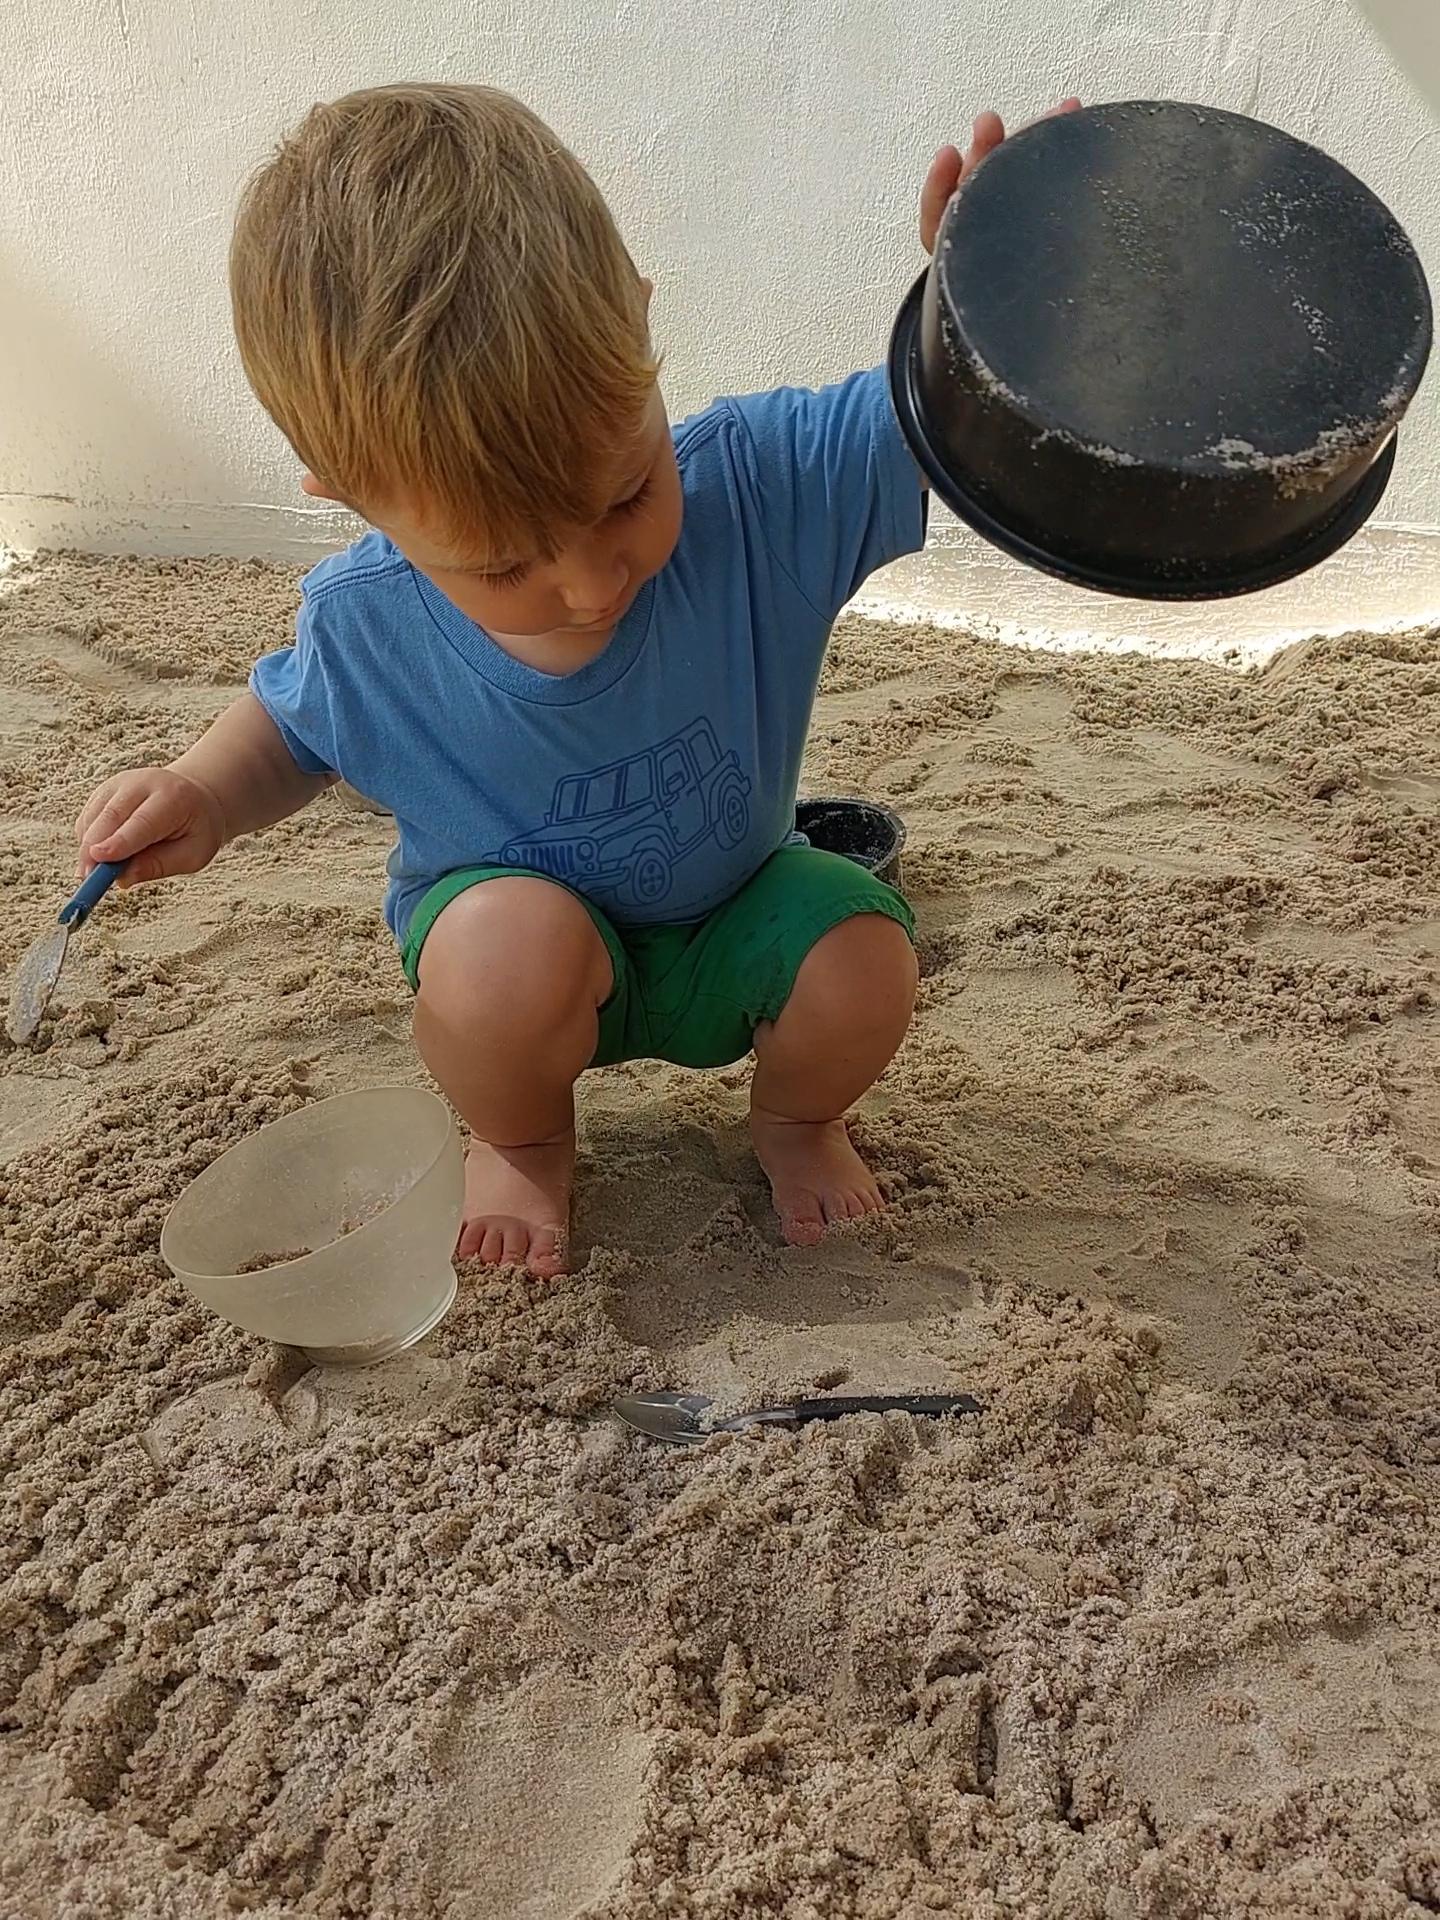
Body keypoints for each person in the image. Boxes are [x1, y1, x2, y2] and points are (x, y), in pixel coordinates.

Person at [75, 85, 1076, 1277]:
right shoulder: (368, 620)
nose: (594, 584)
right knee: (501, 956)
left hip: (734, 911)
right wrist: (201, 791)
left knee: (864, 953)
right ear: (350, 496)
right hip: (516, 959)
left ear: (639, 325)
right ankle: (523, 1142)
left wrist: (985, 304)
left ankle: (796, 1122)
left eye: (626, 494)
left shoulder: (760, 490)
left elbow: (932, 422)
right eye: (504, 564)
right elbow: (290, 731)